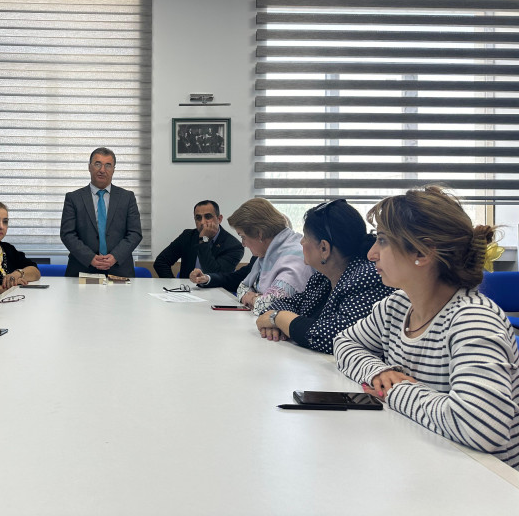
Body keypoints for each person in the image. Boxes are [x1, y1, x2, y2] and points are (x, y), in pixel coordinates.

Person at [335, 186, 519, 469]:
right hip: (429, 461)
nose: (372, 254)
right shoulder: (397, 306)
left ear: (421, 252)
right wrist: (379, 372)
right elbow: (345, 343)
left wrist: (393, 392)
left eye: (382, 241)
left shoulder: (472, 320)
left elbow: (482, 429)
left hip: (488, 483)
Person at [255, 199, 394, 353]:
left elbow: (335, 336)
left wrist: (277, 318)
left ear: (324, 248)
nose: (301, 242)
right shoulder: (321, 279)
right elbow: (287, 303)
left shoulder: (367, 276)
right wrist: (279, 321)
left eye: (306, 237)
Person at [191, 198, 312, 315]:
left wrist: (253, 298)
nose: (243, 243)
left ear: (259, 234)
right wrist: (258, 298)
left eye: (243, 236)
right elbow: (242, 287)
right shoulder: (267, 254)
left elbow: (272, 307)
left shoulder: (296, 256)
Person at [60, 147, 142, 277]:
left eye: (108, 165)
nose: (102, 170)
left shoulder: (127, 197)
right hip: (82, 268)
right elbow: (67, 234)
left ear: (114, 169)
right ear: (89, 167)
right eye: (97, 164)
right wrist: (90, 257)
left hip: (119, 269)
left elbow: (135, 233)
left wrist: (115, 256)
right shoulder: (73, 198)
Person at [153, 200, 243, 279]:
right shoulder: (188, 236)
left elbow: (214, 274)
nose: (203, 222)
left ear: (219, 219)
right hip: (187, 293)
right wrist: (173, 285)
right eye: (198, 218)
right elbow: (161, 262)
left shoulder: (234, 246)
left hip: (215, 293)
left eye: (208, 217)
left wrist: (203, 240)